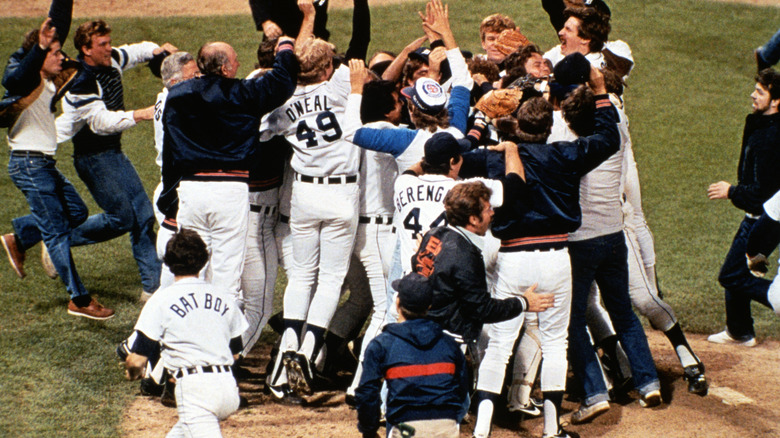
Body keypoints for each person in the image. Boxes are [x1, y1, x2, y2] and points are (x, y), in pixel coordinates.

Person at [159, 38, 298, 302]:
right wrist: (286, 47)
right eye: (235, 60)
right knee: (226, 274)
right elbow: (283, 81)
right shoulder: (243, 93)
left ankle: (184, 333)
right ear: (225, 69)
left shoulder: (176, 96)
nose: (238, 64)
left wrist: (169, 197)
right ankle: (221, 339)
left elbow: (170, 154)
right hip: (229, 192)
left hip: (191, 190)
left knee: (190, 270)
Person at [0, 1, 113, 320]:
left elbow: (58, 26)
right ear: (39, 56)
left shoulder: (50, 79)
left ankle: (20, 236)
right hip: (28, 165)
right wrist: (39, 47)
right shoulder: (25, 80)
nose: (62, 57)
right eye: (55, 53)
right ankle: (79, 298)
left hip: (42, 165)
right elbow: (17, 75)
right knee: (56, 232)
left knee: (76, 212)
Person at [55, 19, 171, 300]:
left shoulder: (112, 60)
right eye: (102, 45)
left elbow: (137, 51)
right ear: (85, 49)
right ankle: (56, 241)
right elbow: (100, 122)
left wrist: (159, 50)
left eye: (109, 42)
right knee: (122, 219)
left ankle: (152, 289)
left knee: (142, 217)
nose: (109, 48)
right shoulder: (80, 80)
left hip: (113, 154)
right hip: (92, 158)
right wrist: (138, 114)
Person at [122, 228, 248, 437]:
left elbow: (136, 361)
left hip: (195, 392)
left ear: (169, 264)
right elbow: (236, 353)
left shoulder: (161, 300)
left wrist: (132, 373)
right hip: (228, 389)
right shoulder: (223, 297)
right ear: (204, 260)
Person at [412, 181, 554, 346]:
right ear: (473, 219)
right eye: (488, 209)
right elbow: (482, 309)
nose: (492, 213)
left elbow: (420, 265)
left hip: (424, 330)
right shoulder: (465, 255)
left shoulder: (434, 234)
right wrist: (524, 302)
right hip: (450, 340)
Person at [707, 68, 780, 346]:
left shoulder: (770, 139)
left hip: (764, 220)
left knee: (731, 275)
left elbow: (764, 193)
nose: (753, 94)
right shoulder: (764, 125)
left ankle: (774, 297)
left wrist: (731, 191)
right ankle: (739, 331)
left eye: (761, 92)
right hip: (763, 217)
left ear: (776, 101)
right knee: (741, 268)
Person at [354, 272, 469, 438]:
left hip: (406, 428)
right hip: (447, 426)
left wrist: (369, 430)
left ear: (398, 302)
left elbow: (367, 393)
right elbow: (462, 391)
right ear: (429, 306)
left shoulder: (382, 344)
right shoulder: (450, 345)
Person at [151, 52, 200, 295]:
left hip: (170, 185)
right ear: (175, 83)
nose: (200, 79)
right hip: (177, 190)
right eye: (195, 76)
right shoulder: (177, 105)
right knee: (177, 270)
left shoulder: (165, 97)